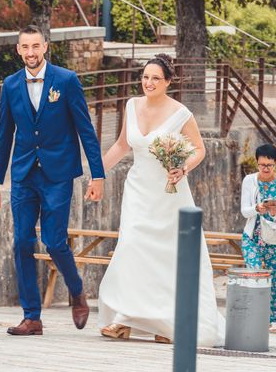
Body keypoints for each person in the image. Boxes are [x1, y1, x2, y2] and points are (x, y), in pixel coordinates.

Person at [96, 53, 224, 347]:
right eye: (145, 77)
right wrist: (96, 173)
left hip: (169, 194)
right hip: (138, 191)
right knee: (130, 247)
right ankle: (124, 318)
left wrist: (183, 167)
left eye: (155, 78)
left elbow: (199, 150)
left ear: (168, 82)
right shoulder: (131, 105)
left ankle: (168, 323)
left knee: (167, 257)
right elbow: (121, 145)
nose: (149, 83)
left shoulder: (181, 114)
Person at [0, 25, 105, 336]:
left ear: (45, 47)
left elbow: (85, 130)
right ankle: (32, 317)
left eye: (35, 46)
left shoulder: (66, 81)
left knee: (54, 241)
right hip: (24, 174)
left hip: (58, 174)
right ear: (18, 49)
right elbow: (4, 136)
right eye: (25, 47)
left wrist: (98, 174)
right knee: (22, 242)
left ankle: (76, 290)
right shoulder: (11, 85)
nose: (30, 52)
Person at [240, 143, 276, 334]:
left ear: (275, 164)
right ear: (257, 163)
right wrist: (256, 208)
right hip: (252, 235)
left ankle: (273, 320)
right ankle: (252, 316)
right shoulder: (249, 181)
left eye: (269, 165)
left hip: (275, 237)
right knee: (253, 273)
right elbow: (244, 211)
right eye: (262, 165)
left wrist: (274, 210)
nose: (265, 169)